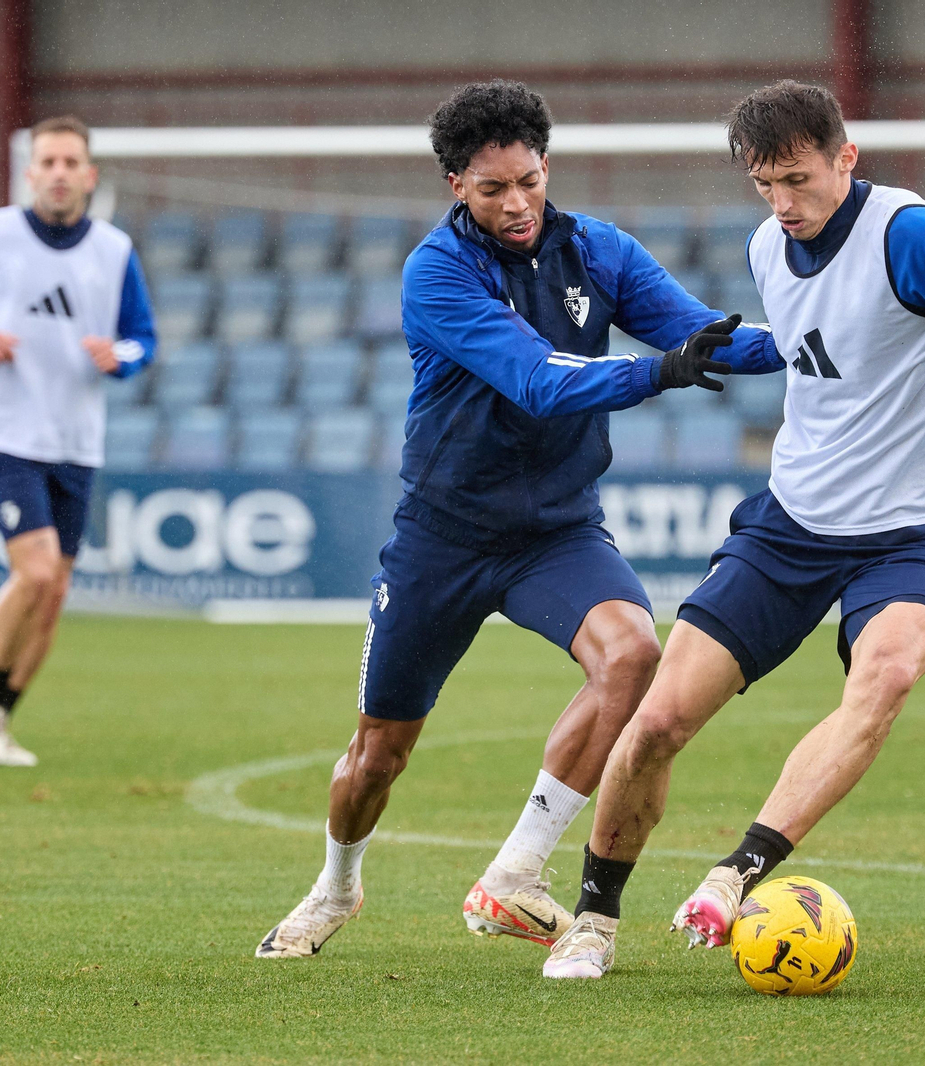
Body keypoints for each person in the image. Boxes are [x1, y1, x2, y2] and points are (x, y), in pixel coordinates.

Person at [541, 80, 925, 980]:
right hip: (792, 526)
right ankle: (593, 921)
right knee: (657, 722)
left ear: (847, 157)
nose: (784, 204)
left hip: (915, 534)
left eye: (799, 179)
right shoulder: (767, 246)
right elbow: (809, 353)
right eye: (765, 185)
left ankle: (738, 872)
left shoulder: (910, 236)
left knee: (886, 674)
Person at [255, 80, 780, 959]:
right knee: (376, 757)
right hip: (442, 538)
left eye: (529, 180)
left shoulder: (601, 251)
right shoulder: (437, 273)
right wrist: (658, 373)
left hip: (556, 532)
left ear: (547, 167)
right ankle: (334, 889)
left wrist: (824, 340)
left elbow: (704, 333)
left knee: (633, 655)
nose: (518, 202)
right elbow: (538, 381)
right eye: (494, 188)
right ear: (456, 186)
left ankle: (514, 875)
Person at [0, 114, 157, 767]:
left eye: (68, 163)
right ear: (30, 174)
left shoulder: (113, 250)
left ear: (89, 174)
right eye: (46, 163)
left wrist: (121, 357)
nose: (57, 174)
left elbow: (143, 335)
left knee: (53, 594)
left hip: (76, 439)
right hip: (3, 429)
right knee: (39, 569)